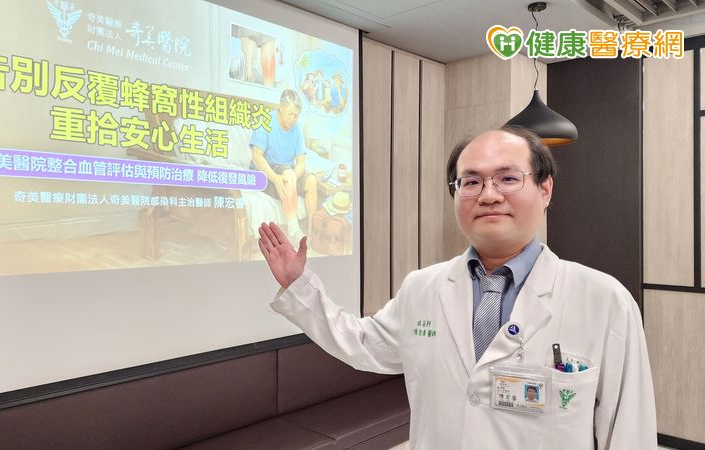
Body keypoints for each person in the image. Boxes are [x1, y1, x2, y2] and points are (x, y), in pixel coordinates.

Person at [257, 126, 657, 449]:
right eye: (471, 182)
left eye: (508, 178)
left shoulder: (604, 300)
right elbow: (363, 344)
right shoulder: (422, 288)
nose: (489, 195)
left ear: (545, 189)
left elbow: (629, 432)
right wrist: (298, 286)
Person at [251, 89, 318, 241]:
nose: (293, 119)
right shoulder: (265, 121)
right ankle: (294, 230)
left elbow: (301, 162)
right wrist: (275, 178)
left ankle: (311, 230)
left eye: (296, 115)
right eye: (290, 114)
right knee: (288, 174)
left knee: (312, 180)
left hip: (287, 172)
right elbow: (256, 156)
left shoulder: (297, 128)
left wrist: (293, 176)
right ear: (281, 107)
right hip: (267, 174)